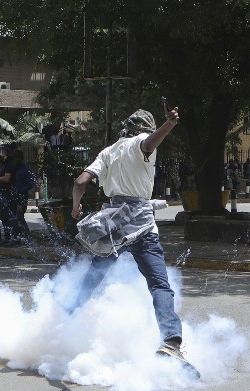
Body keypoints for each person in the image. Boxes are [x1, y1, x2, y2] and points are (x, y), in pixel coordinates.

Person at [70, 107, 192, 368]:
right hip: (143, 228)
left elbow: (80, 182)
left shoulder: (108, 151)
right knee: (159, 286)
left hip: (113, 227)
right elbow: (149, 143)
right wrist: (168, 125)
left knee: (92, 279)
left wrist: (75, 208)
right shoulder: (141, 143)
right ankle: (171, 341)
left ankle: (64, 321)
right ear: (145, 129)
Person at [0, 144, 34, 247]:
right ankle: (9, 237)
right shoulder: (12, 168)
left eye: (15, 158)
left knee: (19, 218)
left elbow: (31, 182)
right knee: (9, 217)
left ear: (19, 159)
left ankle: (25, 238)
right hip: (11, 196)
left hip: (21, 197)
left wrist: (21, 190)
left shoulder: (24, 169)